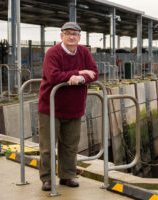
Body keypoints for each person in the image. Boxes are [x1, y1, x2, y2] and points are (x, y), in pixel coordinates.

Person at [38, 22, 99, 191]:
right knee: (47, 146)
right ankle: (47, 178)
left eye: (75, 34)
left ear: (80, 37)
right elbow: (53, 76)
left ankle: (67, 176)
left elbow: (94, 72)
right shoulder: (52, 53)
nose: (71, 36)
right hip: (50, 108)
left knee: (70, 145)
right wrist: (79, 73)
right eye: (68, 33)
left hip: (74, 108)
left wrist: (84, 79)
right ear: (61, 36)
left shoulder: (84, 52)